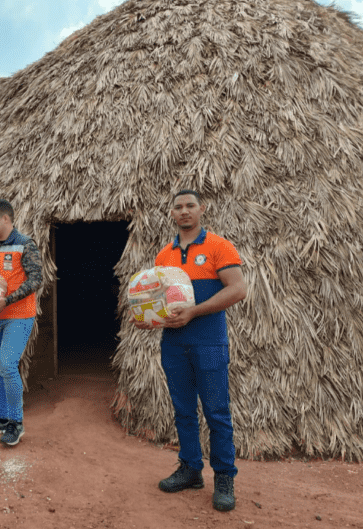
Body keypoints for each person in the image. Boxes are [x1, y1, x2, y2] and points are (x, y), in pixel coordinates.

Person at [129, 189, 246, 512]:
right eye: (178, 207)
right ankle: (191, 468)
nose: (184, 211)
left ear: (201, 209)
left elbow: (238, 289)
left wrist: (194, 312)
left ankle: (223, 476)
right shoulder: (164, 255)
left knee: (216, 412)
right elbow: (158, 300)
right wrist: (147, 319)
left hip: (208, 341)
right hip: (174, 343)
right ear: (171, 213)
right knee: (183, 410)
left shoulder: (218, 246)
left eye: (190, 206)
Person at [0, 199, 42, 447]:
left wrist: (8, 300)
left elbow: (36, 279)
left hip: (19, 315)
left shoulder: (25, 244)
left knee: (7, 365)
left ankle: (16, 423)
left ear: (5, 219)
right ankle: (1, 418)